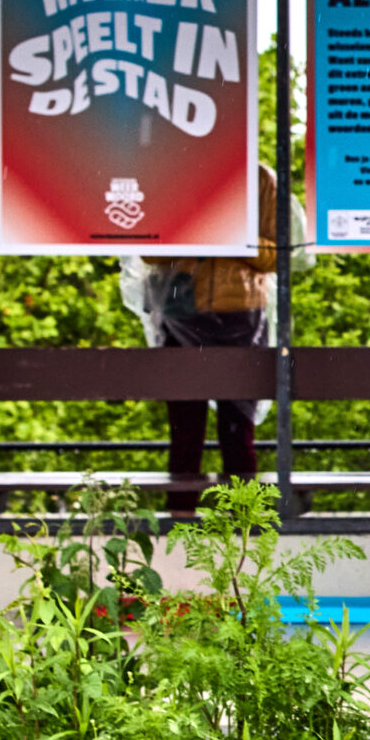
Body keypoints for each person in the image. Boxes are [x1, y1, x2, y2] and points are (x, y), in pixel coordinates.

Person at [129, 162, 280, 520]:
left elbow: (275, 254)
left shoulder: (260, 178)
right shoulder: (177, 166)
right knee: (184, 431)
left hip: (240, 314)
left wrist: (231, 233)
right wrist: (196, 226)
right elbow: (148, 250)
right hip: (180, 309)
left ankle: (246, 527)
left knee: (237, 431)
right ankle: (179, 524)